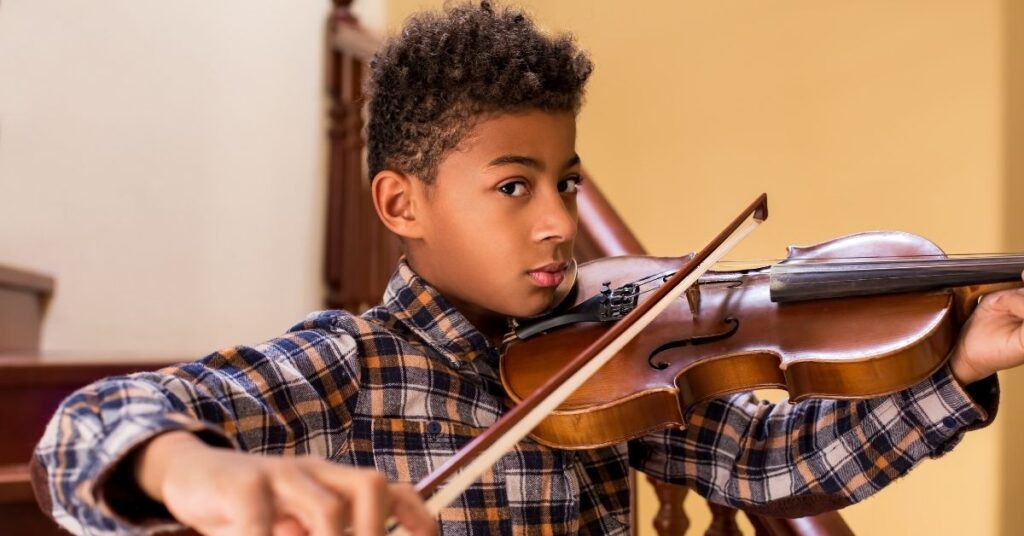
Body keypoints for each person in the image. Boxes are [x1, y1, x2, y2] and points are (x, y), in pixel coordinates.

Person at [31, 2, 1024, 535]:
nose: (559, 221)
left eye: (569, 179)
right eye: (515, 186)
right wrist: (187, 465)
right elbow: (79, 434)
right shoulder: (351, 364)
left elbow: (769, 464)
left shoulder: (613, 365)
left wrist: (956, 370)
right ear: (400, 204)